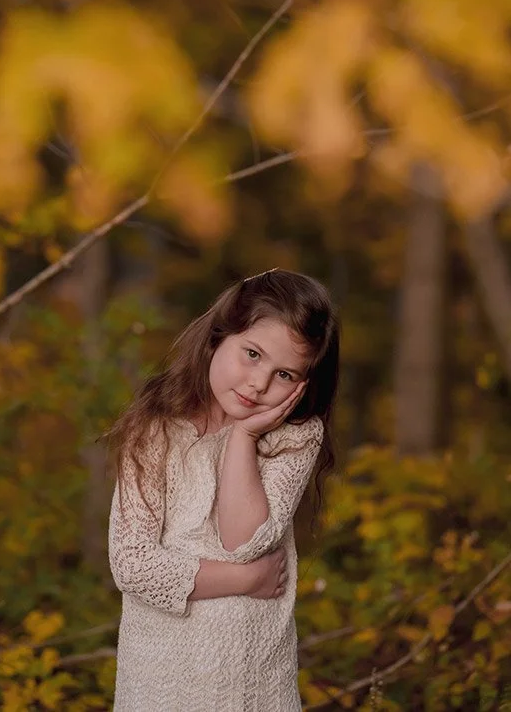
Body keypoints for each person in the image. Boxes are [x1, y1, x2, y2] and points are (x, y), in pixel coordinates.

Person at [106, 269, 339, 711]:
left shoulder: (294, 436)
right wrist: (245, 578)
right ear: (217, 336)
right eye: (252, 354)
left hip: (250, 678)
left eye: (285, 374)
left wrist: (243, 439)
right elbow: (133, 565)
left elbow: (243, 538)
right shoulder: (157, 429)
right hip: (161, 676)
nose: (259, 384)